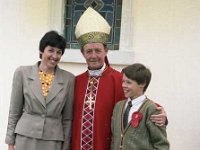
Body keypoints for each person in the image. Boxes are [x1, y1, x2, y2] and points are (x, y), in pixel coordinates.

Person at [71, 7, 167, 150]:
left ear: (106, 51)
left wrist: (161, 113)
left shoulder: (119, 78)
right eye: (88, 51)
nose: (93, 56)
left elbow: (138, 101)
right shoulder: (76, 81)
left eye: (98, 50)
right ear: (83, 53)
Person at [5, 31, 75, 150]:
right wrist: (10, 143)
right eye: (51, 50)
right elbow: (14, 112)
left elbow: (67, 118)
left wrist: (66, 146)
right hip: (24, 138)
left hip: (53, 141)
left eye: (59, 52)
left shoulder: (69, 79)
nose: (55, 55)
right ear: (42, 51)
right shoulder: (22, 73)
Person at [111, 63, 170, 150]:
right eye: (123, 81)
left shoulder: (151, 109)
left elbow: (161, 144)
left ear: (142, 83)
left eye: (128, 82)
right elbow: (114, 138)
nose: (123, 85)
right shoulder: (118, 107)